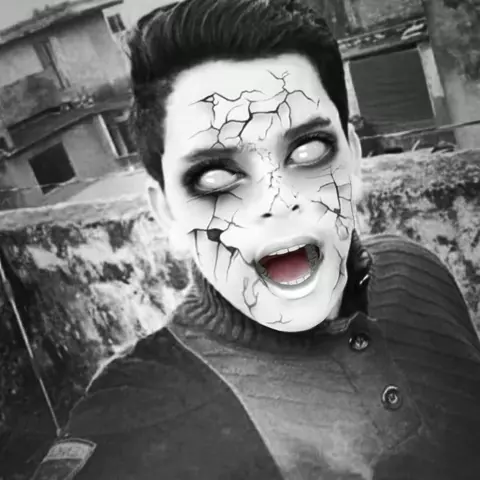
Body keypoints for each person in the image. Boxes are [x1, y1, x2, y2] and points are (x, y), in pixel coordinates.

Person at [37, 0, 480, 478]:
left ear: (353, 160)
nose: (278, 200)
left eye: (309, 150)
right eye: (214, 177)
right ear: (167, 213)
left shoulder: (418, 271)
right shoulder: (135, 422)